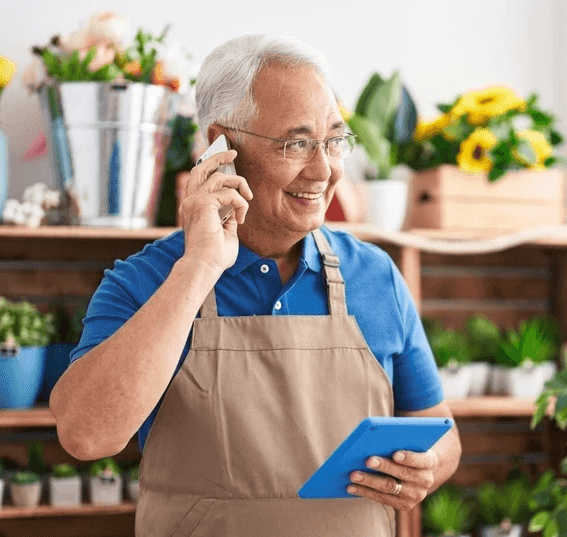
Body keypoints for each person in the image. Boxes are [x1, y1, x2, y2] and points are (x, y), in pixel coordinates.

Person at [49, 33, 461, 537]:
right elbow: (86, 435)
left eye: (333, 140)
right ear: (223, 145)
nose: (324, 169)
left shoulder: (375, 276)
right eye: (296, 143)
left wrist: (426, 468)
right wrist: (199, 266)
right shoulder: (146, 281)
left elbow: (441, 430)